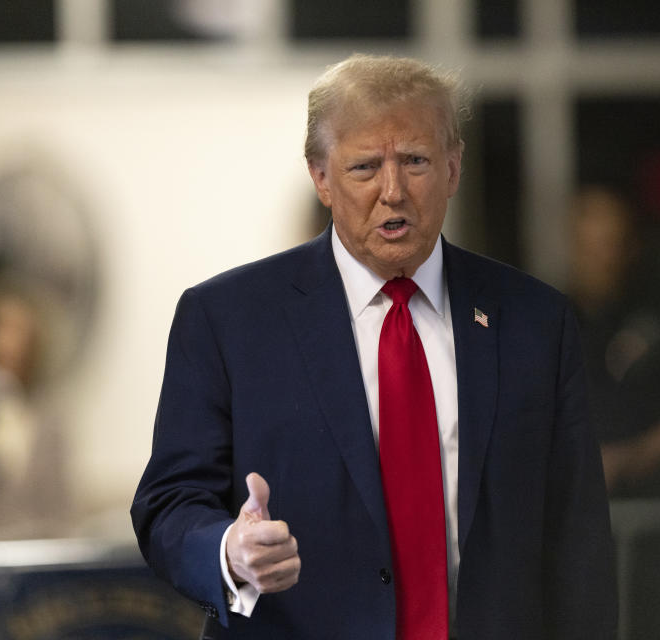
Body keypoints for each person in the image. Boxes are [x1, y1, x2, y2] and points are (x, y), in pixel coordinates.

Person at [132, 54, 616, 639]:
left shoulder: (536, 321)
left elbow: (578, 539)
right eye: (364, 167)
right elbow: (168, 504)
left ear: (453, 168)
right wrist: (230, 552)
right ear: (321, 178)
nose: (393, 191)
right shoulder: (227, 320)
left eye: (415, 161)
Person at [567, 187, 660, 497]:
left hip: (648, 508)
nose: (600, 259)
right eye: (589, 247)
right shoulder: (544, 322)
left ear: (631, 246)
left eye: (609, 246)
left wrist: (634, 459)